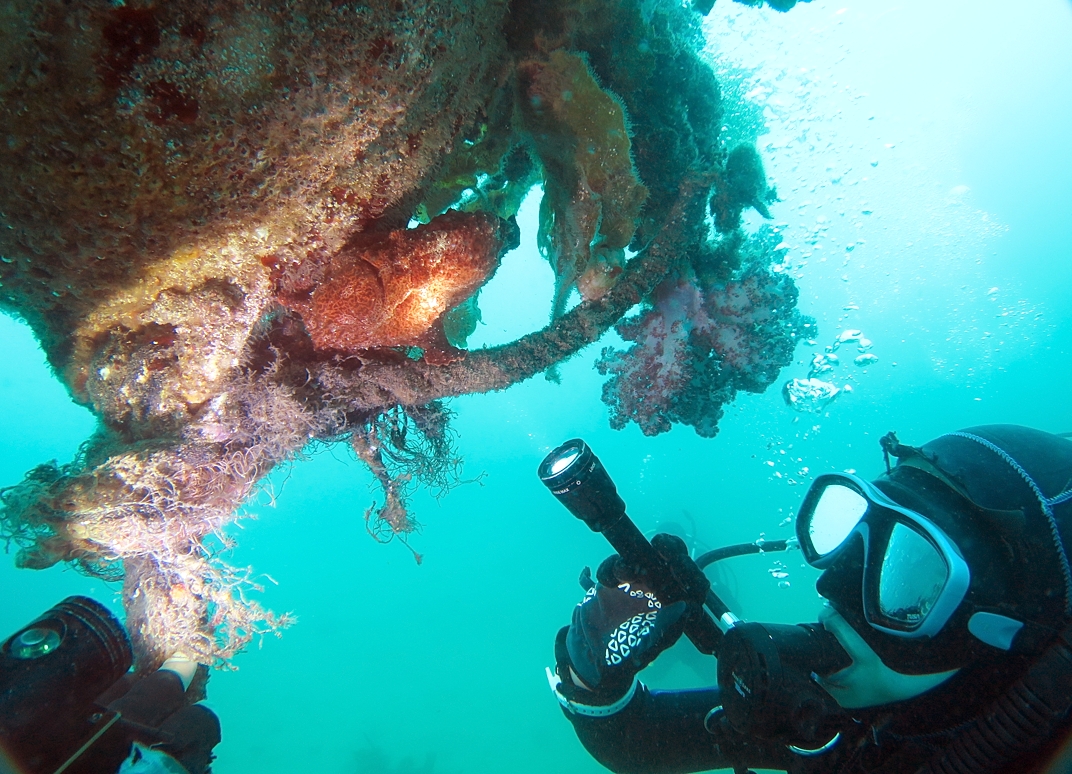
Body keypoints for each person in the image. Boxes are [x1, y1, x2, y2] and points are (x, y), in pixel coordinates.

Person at [549, 425, 1072, 774]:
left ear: (1014, 630)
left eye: (911, 577)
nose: (831, 586)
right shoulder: (840, 714)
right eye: (847, 532)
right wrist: (591, 677)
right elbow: (638, 745)